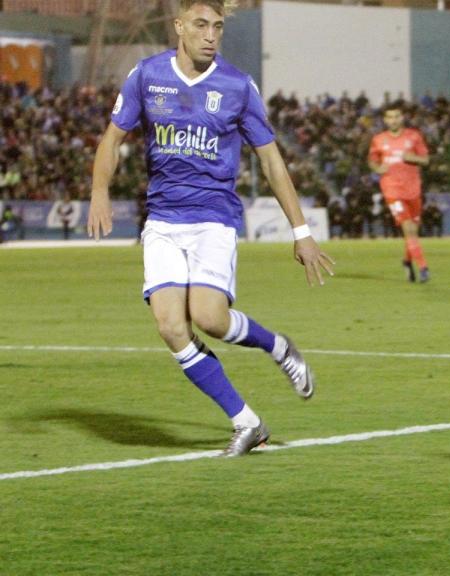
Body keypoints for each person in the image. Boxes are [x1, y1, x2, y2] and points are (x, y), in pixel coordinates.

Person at [87, 0, 335, 457]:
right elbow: (112, 138)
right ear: (178, 26)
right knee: (169, 325)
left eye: (217, 27)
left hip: (213, 219)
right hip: (162, 220)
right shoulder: (146, 75)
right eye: (201, 25)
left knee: (209, 319)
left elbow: (270, 160)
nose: (210, 35)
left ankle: (279, 347)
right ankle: (247, 422)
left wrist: (301, 232)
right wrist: (99, 192)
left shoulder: (237, 85)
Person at [368, 102, 431, 282]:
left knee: (413, 231)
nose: (393, 120)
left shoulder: (414, 137)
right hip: (392, 190)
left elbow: (426, 160)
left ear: (402, 118)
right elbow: (372, 160)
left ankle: (407, 261)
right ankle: (423, 267)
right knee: (409, 228)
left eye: (397, 116)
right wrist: (378, 169)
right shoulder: (379, 139)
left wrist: (414, 158)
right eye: (390, 117)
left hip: (413, 189)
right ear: (385, 120)